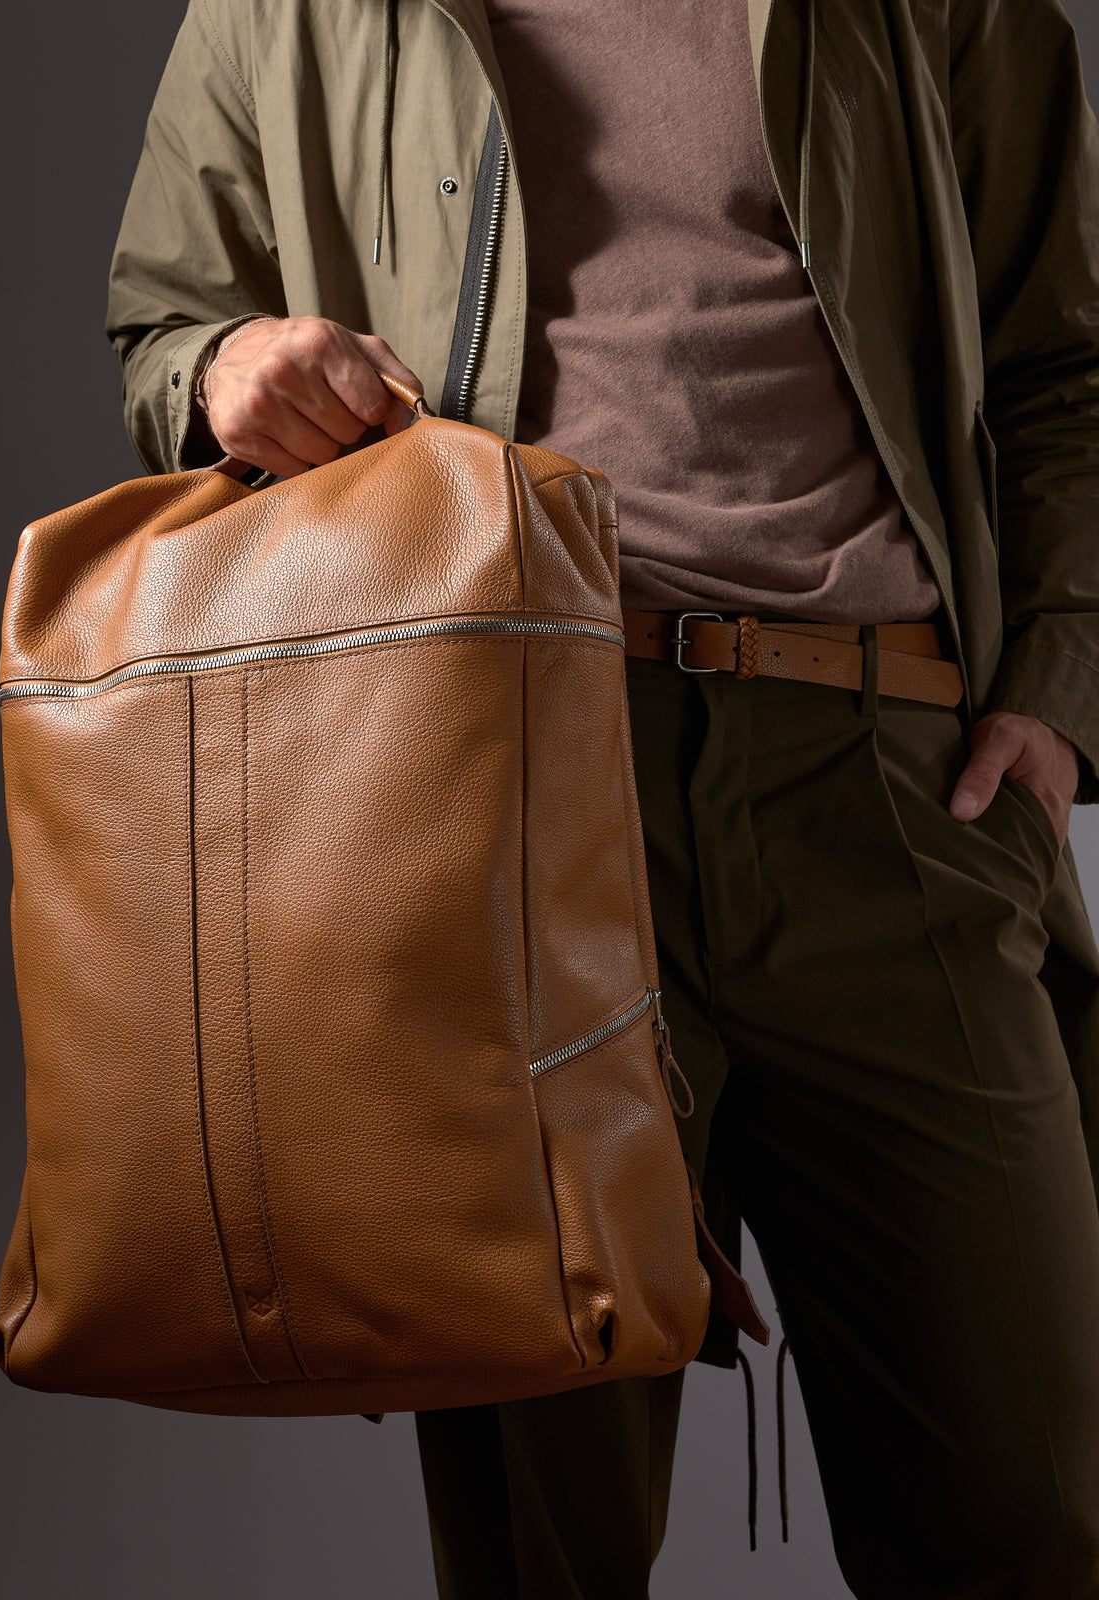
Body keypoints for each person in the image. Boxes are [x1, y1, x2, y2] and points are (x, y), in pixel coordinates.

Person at [105, 0, 1099, 1594]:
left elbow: (1064, 364)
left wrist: (1056, 686)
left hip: (891, 782)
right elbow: (167, 332)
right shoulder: (291, 11)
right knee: (540, 1549)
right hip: (497, 795)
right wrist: (227, 369)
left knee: (1027, 1518)